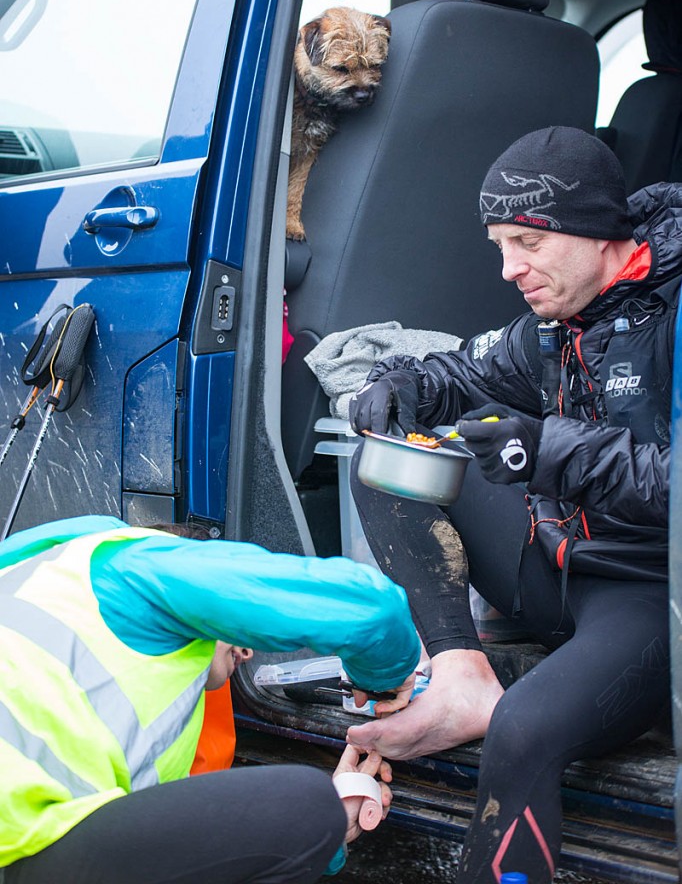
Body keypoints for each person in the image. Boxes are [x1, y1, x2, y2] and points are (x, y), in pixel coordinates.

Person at [346, 126, 679, 883]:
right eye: (501, 243)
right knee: (389, 464)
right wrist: (405, 385)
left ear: (598, 232)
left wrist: (548, 448)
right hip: (551, 561)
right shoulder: (552, 318)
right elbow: (466, 371)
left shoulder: (673, 314)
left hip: (649, 595)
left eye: (528, 240)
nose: (509, 268)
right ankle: (461, 675)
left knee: (523, 731)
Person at [0, 513, 421, 883]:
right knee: (305, 803)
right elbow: (371, 610)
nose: (247, 649)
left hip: (22, 844)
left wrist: (332, 824)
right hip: (18, 850)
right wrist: (384, 682)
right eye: (229, 626)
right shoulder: (139, 568)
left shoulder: (30, 579)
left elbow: (178, 844)